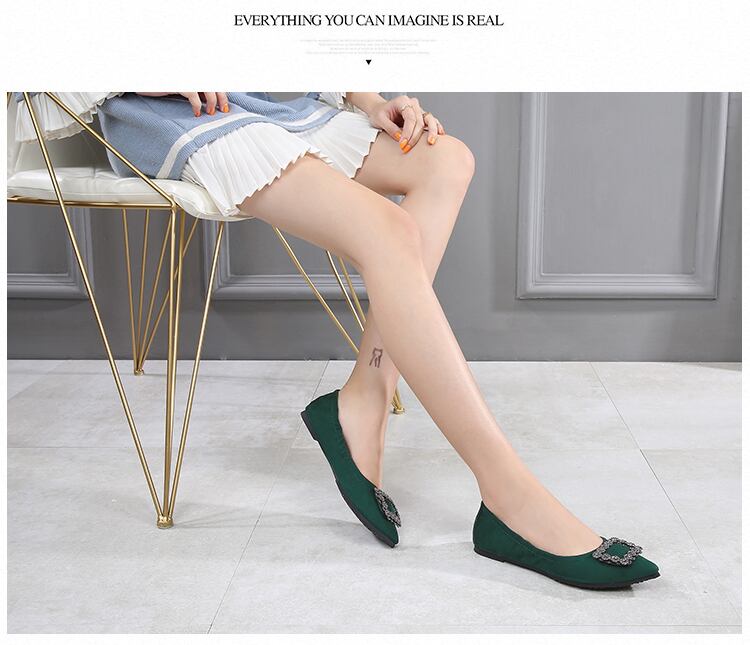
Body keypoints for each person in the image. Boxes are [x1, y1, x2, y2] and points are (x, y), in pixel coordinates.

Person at [15, 91, 660, 590]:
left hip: (270, 100)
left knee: (447, 159)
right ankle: (508, 494)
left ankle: (366, 393)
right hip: (173, 112)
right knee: (388, 232)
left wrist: (369, 99)